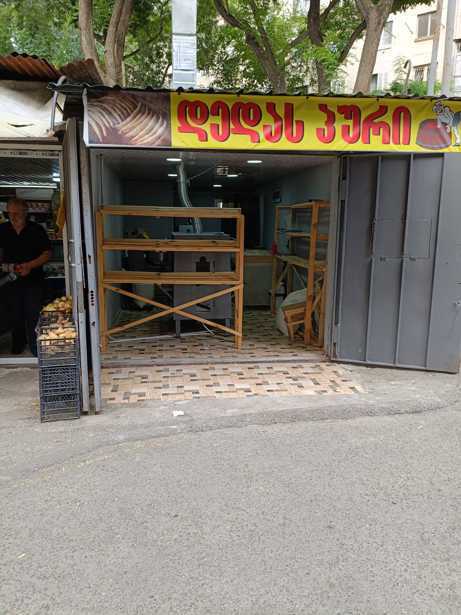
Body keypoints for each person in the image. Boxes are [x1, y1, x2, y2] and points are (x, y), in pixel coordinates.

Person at [0, 198, 51, 356]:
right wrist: (8, 267)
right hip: (10, 279)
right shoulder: (2, 229)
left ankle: (36, 347)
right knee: (14, 314)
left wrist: (30, 265)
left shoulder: (36, 229)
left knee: (33, 313)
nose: (13, 216)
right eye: (10, 213)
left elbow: (47, 253)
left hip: (33, 279)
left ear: (25, 212)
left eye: (16, 213)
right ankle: (18, 345)